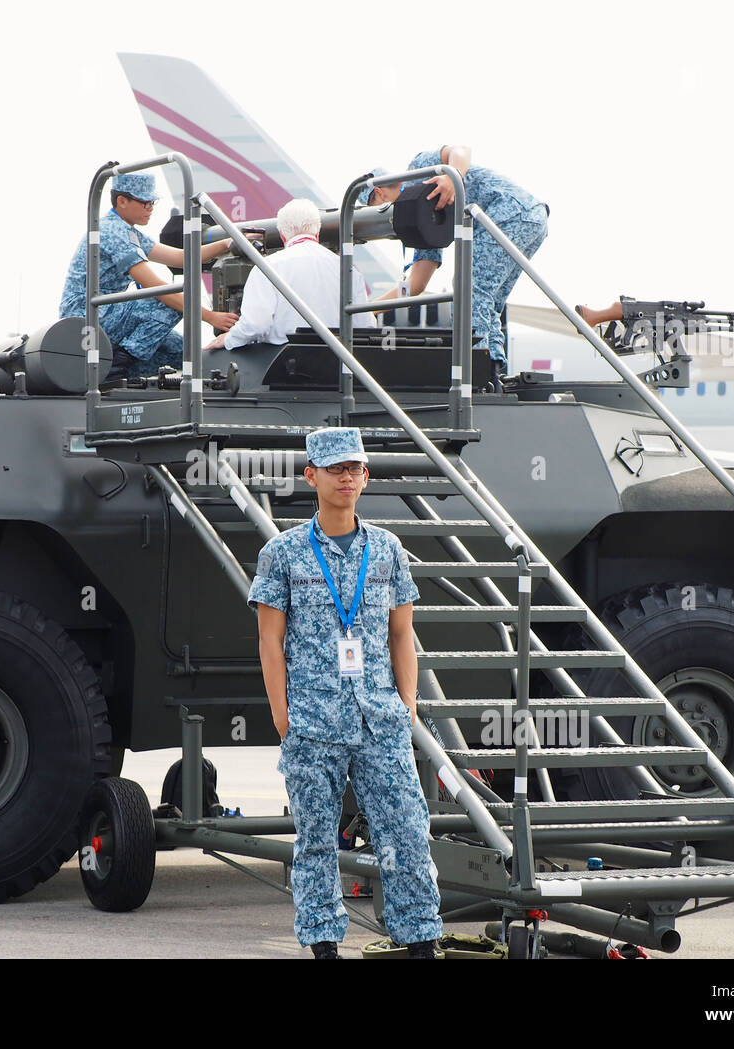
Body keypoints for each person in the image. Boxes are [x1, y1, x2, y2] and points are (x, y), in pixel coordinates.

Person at [248, 426, 442, 959]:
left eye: (354, 469)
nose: (346, 478)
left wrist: (407, 706)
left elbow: (402, 634)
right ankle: (324, 944)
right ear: (311, 476)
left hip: (380, 718)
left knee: (405, 833)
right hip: (313, 722)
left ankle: (420, 938)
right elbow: (270, 642)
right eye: (335, 469)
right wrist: (284, 720)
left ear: (366, 477)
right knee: (315, 842)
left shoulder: (387, 549)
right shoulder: (282, 553)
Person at [361, 146, 548, 387]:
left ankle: (477, 378)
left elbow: (460, 150)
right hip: (530, 218)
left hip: (510, 210)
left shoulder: (418, 170)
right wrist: (369, 309)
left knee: (470, 292)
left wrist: (453, 176)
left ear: (379, 194)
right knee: (487, 302)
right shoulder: (417, 220)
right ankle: (494, 371)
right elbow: (416, 285)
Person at [58, 172, 238, 379]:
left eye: (153, 202)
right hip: (86, 315)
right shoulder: (112, 231)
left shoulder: (128, 231)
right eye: (145, 203)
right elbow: (155, 287)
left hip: (107, 314)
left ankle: (122, 372)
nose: (150, 208)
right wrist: (211, 317)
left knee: (181, 351)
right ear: (122, 201)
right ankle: (116, 365)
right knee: (169, 299)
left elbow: (181, 258)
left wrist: (228, 243)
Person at [204, 198, 368, 351]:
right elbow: (365, 325)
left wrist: (229, 339)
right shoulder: (350, 270)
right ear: (317, 232)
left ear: (282, 234)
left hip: (287, 365)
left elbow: (256, 325)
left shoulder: (267, 267)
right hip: (339, 362)